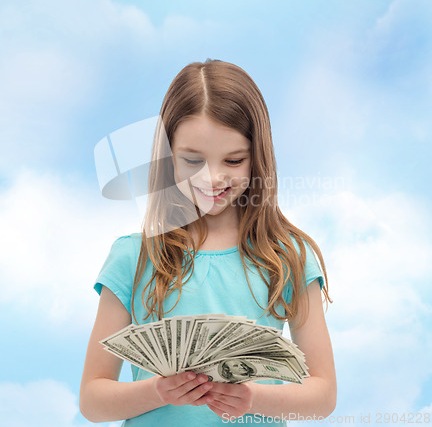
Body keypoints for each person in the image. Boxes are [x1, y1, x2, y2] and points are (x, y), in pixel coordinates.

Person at [79, 59, 337, 426]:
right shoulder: (133, 258)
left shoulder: (288, 258)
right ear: (168, 156)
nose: (212, 178)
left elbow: (322, 395)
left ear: (257, 158)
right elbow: (92, 400)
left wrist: (252, 398)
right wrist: (156, 391)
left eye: (233, 160)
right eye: (192, 160)